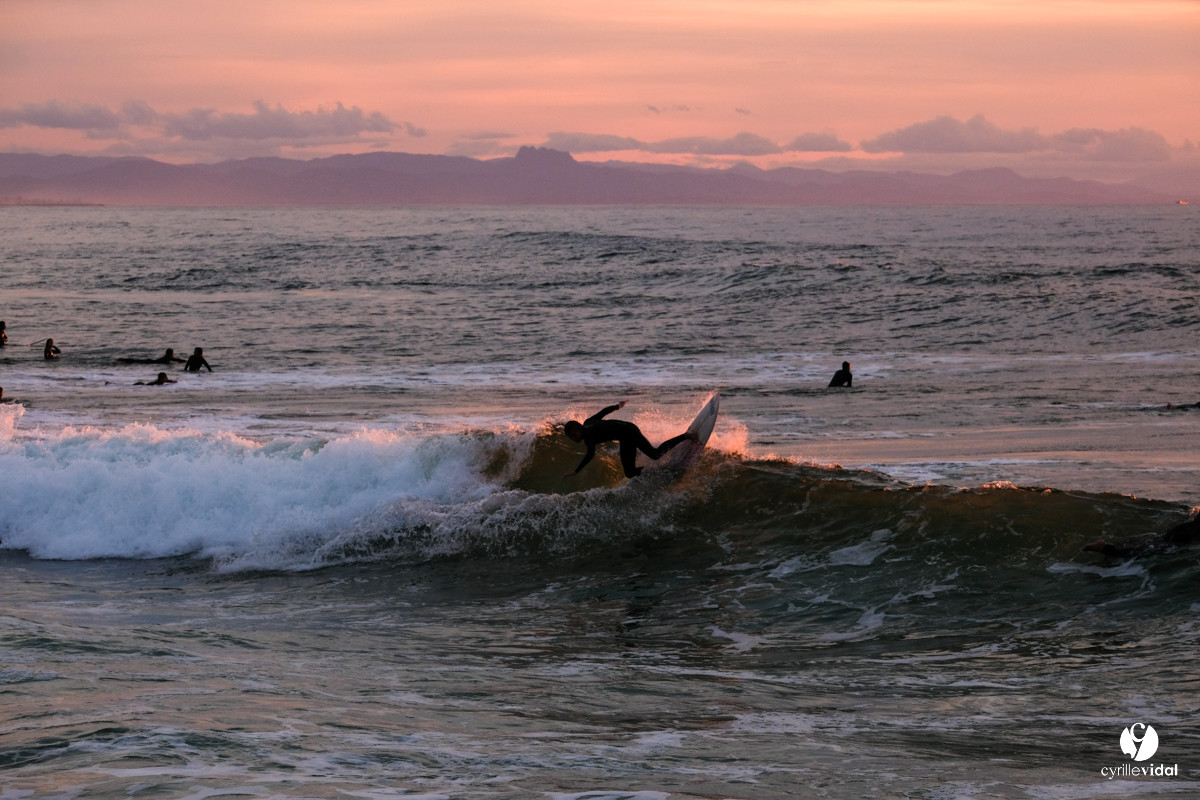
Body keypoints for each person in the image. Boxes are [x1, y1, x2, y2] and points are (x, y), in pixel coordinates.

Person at [563, 400, 697, 479]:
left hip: (629, 430)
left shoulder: (589, 435)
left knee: (654, 454)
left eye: (574, 435)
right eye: (571, 438)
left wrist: (576, 471)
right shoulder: (588, 422)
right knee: (630, 473)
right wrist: (618, 406)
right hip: (624, 437)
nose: (574, 439)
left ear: (579, 429)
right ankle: (661, 472)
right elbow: (603, 412)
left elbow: (590, 453)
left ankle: (686, 435)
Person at [1084, 515, 1200, 559]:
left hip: (1184, 528)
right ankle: (1106, 548)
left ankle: (1111, 550)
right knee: (1146, 553)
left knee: (1151, 546)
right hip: (1186, 535)